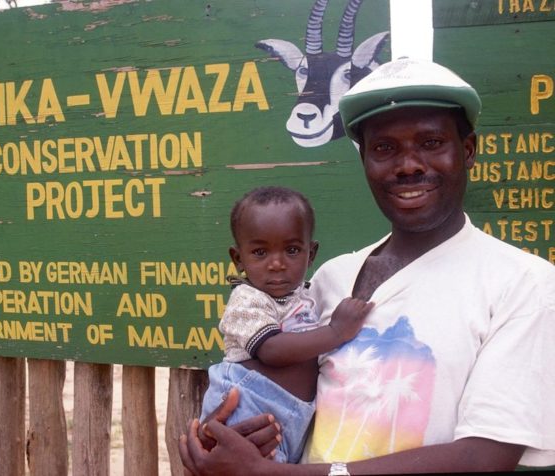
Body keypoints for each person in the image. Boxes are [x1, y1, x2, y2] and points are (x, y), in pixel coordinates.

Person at [180, 57, 555, 475]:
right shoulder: (328, 280)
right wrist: (238, 436)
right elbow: (290, 411)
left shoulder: (522, 283)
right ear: (365, 163)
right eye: (384, 148)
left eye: (431, 143)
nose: (408, 164)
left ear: (467, 151)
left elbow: (484, 457)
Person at [199, 186, 373, 464]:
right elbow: (271, 350)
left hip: (291, 419)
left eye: (292, 250)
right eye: (259, 252)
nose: (277, 264)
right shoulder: (246, 300)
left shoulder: (305, 295)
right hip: (247, 407)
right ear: (238, 259)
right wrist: (336, 332)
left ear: (311, 253)